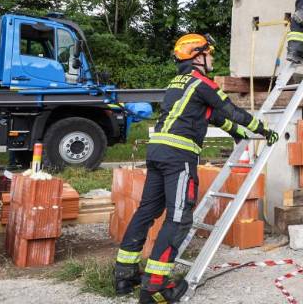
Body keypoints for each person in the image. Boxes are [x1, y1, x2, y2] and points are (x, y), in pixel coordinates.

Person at [114, 33, 279, 304]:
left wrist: (238, 133)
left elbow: (212, 116)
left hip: (157, 151)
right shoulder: (202, 83)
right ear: (197, 56)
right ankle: (155, 289)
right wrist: (262, 129)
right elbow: (230, 110)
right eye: (209, 52)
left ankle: (124, 275)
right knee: (179, 218)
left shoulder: (178, 83)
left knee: (148, 211)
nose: (212, 57)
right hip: (178, 156)